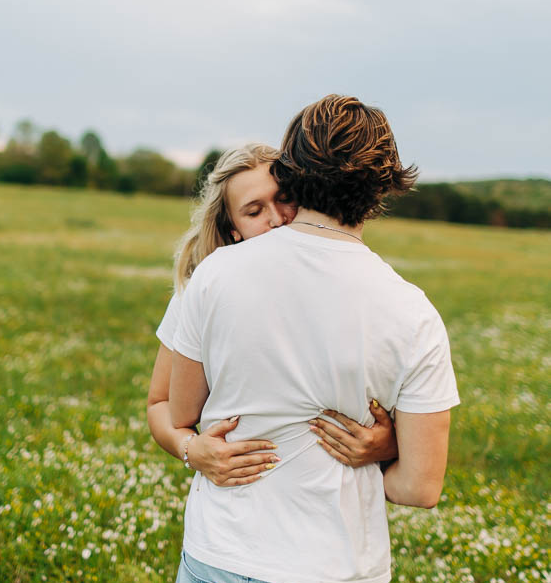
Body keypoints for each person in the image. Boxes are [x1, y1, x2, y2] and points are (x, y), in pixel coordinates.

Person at [158, 95, 460, 583]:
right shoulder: (412, 313)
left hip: (219, 560)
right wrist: (384, 450)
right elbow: (420, 487)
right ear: (382, 189)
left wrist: (194, 446)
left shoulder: (216, 275)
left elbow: (179, 412)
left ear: (293, 171)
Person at [147, 142, 398, 487]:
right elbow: (161, 403)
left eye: (283, 198)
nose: (277, 219)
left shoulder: (354, 288)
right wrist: (190, 448)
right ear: (233, 228)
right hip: (232, 514)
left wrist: (389, 445)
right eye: (254, 212)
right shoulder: (201, 290)